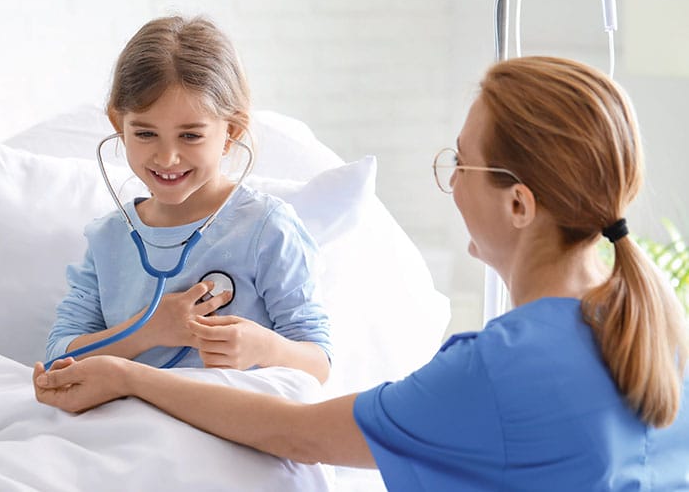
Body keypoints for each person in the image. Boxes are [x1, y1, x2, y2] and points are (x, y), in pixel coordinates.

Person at [34, 56, 689, 490]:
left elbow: (294, 430)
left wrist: (129, 373)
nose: (451, 184)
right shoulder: (656, 330)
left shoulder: (498, 365)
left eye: (459, 164)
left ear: (518, 203)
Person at [45, 15, 332, 383]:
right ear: (119, 124)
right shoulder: (109, 238)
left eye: (191, 136)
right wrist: (147, 330)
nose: (167, 158)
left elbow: (318, 363)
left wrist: (266, 348)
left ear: (232, 132)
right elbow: (58, 358)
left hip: (225, 425)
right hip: (127, 424)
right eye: (146, 133)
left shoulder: (266, 228)